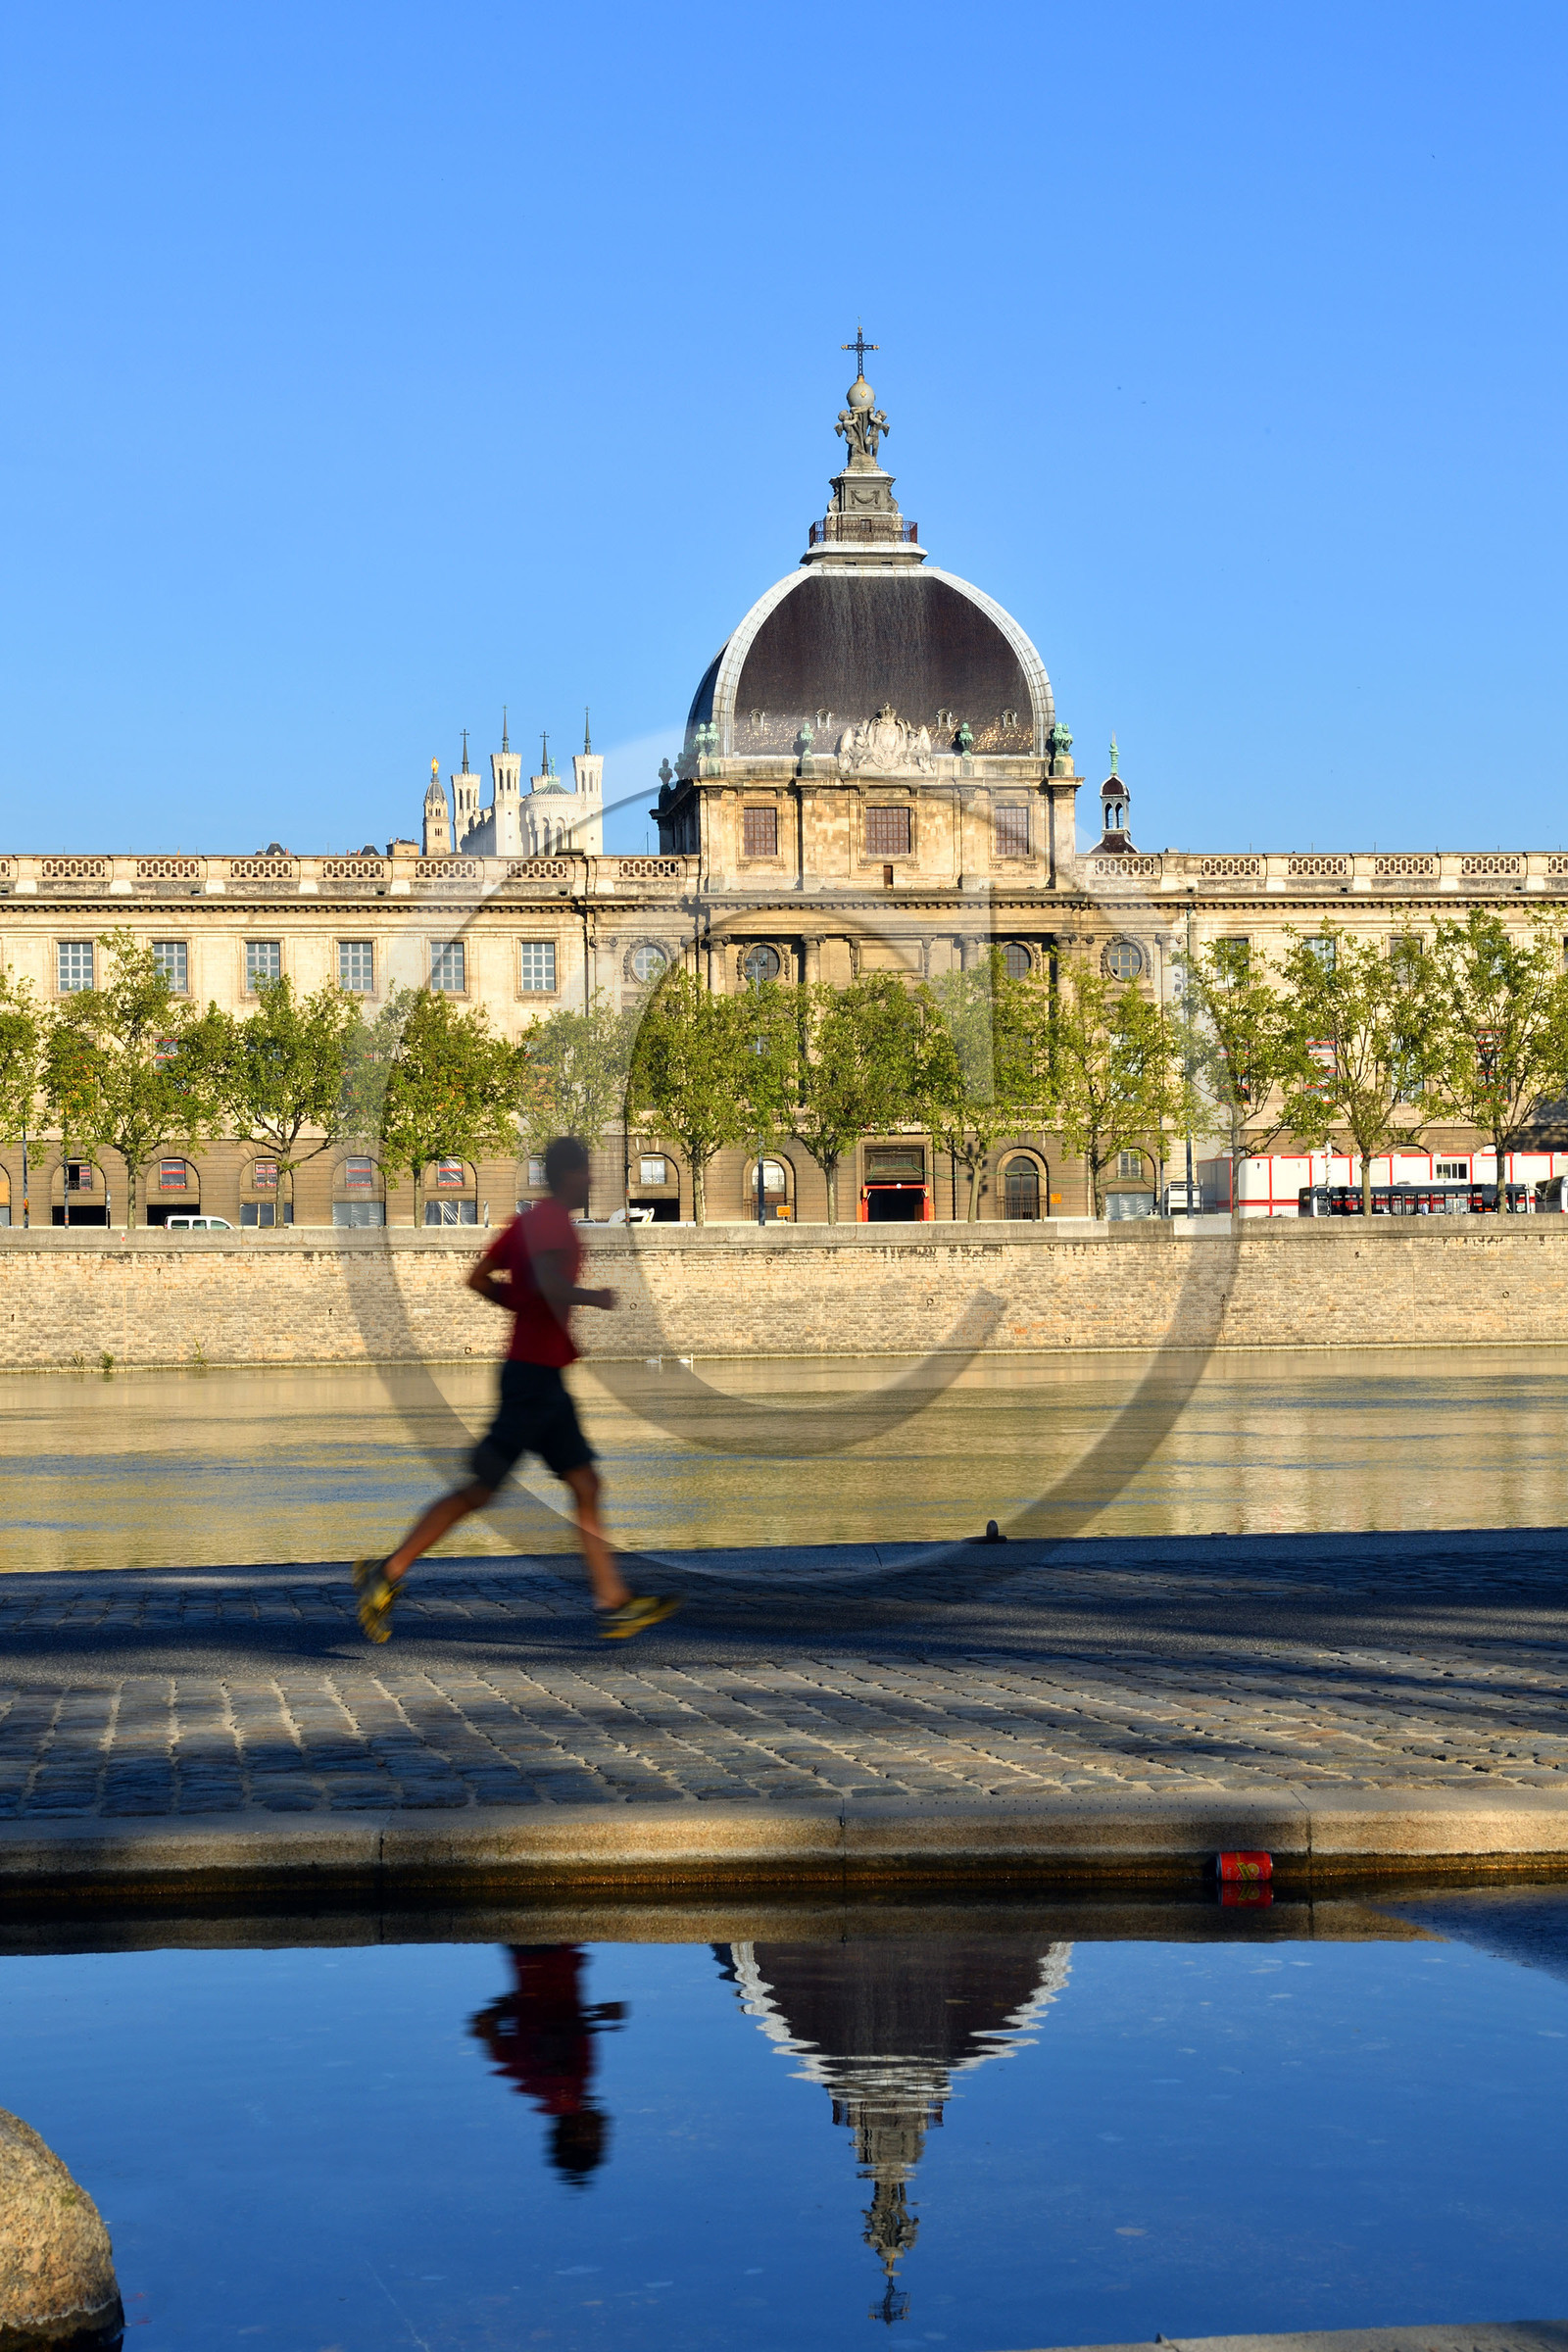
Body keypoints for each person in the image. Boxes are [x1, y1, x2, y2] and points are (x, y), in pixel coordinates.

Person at [353, 1135, 680, 1642]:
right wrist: (592, 1297)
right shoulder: (554, 1226)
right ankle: (387, 1571)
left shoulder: (525, 1224)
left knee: (582, 1485)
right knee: (485, 1489)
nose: (592, 1180)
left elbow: (479, 1280)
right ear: (567, 1176)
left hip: (537, 1373)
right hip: (534, 1379)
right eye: (586, 1172)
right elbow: (548, 1285)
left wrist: (523, 1303)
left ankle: (613, 1601)